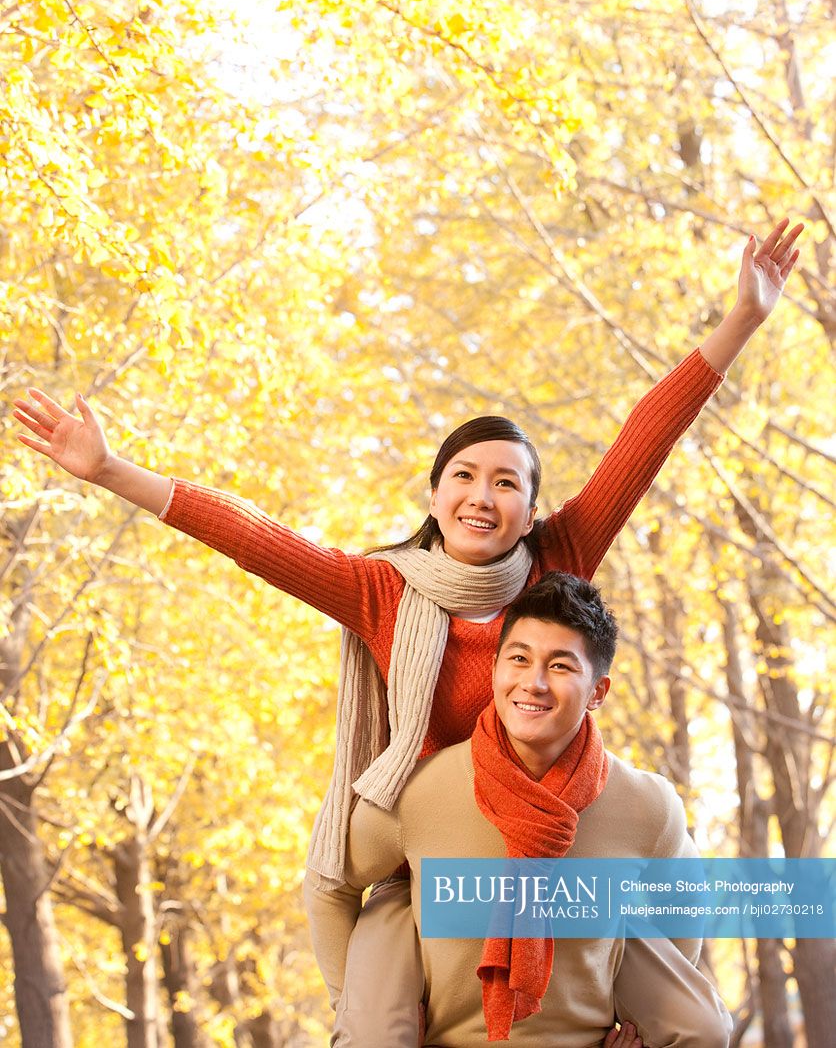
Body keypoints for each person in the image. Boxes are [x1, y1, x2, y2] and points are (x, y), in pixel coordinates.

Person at [13, 220, 800, 1044]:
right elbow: (253, 537)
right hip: (425, 855)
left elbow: (646, 438)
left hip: (556, 831)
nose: (482, 496)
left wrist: (742, 315)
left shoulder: (561, 557)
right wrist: (108, 469)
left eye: (507, 482)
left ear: (532, 510)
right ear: (433, 495)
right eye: (464, 476)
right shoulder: (382, 589)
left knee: (686, 1018)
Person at [333, 571, 732, 1046]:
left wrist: (642, 1020)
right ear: (496, 668)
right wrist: (357, 1011)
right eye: (519, 659)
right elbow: (332, 885)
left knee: (710, 1029)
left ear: (598, 692)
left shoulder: (646, 803)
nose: (533, 683)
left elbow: (685, 906)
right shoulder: (418, 790)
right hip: (444, 1038)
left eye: (561, 667)